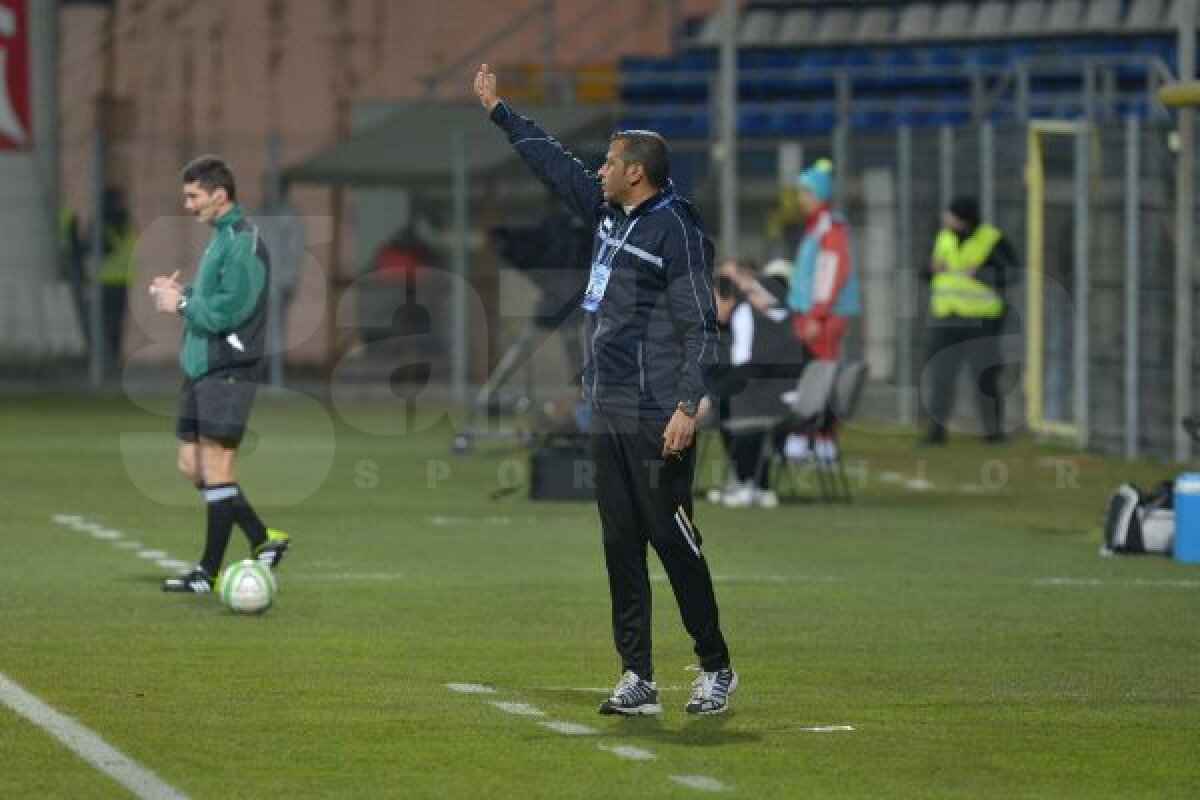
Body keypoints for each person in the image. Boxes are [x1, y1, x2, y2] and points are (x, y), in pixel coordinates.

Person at [475, 63, 737, 715]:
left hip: (656, 415)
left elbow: (703, 327)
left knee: (673, 541)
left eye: (610, 162)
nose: (598, 170)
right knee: (619, 545)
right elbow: (556, 165)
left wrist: (686, 406)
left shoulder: (676, 231)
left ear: (636, 173)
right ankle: (638, 676)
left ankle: (715, 666)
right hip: (609, 408)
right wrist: (501, 111)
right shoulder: (608, 213)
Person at [151, 155, 291, 593]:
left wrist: (183, 304)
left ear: (219, 194)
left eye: (194, 197)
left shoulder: (244, 241)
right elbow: (214, 298)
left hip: (227, 368)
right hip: (201, 368)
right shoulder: (221, 238)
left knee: (216, 465)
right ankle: (263, 537)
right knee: (192, 464)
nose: (188, 206)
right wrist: (183, 293)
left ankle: (207, 572)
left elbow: (233, 310)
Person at [920, 195, 1017, 446]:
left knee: (985, 376)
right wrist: (931, 270)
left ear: (963, 219)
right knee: (941, 376)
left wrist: (982, 273)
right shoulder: (943, 238)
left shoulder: (991, 239)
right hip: (946, 317)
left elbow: (1012, 272)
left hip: (981, 320)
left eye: (951, 215)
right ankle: (936, 432)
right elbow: (926, 272)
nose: (945, 219)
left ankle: (993, 432)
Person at [786, 159, 860, 463]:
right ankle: (812, 437)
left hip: (823, 316)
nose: (800, 199)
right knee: (813, 375)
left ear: (818, 194)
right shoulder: (817, 227)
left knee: (821, 377)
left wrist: (817, 315)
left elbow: (830, 272)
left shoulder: (829, 227)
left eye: (805, 192)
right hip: (814, 313)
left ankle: (820, 439)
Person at [715, 258, 803, 508]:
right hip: (759, 379)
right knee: (725, 401)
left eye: (730, 277)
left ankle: (752, 482)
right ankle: (747, 480)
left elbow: (779, 316)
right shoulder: (744, 310)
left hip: (773, 385)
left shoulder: (766, 303)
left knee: (735, 402)